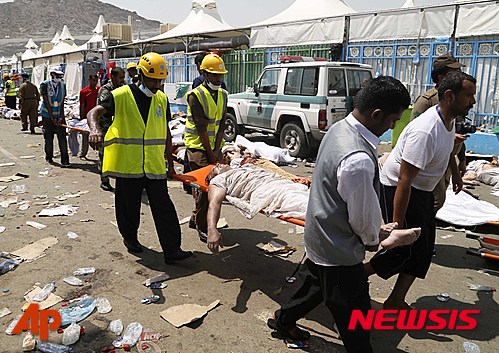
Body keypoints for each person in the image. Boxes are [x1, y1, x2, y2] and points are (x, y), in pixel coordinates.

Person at [267, 76, 418, 353]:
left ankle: (282, 320)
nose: (392, 127)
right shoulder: (357, 159)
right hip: (339, 251)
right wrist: (380, 237)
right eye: (393, 121)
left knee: (316, 286)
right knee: (355, 320)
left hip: (320, 237)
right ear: (376, 114)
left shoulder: (340, 128)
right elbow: (362, 223)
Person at [365, 71, 475, 310]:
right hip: (397, 188)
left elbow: (446, 150)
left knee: (423, 249)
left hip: (420, 191)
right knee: (401, 249)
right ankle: (353, 278)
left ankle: (395, 300)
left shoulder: (449, 119)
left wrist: (456, 174)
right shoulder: (425, 131)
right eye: (469, 95)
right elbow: (404, 181)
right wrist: (396, 226)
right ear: (449, 95)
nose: (473, 102)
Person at [87, 52, 192, 264]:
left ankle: (172, 250)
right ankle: (130, 238)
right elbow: (94, 112)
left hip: (153, 165)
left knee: (164, 208)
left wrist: (171, 165)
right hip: (129, 165)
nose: (156, 84)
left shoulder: (161, 99)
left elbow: (165, 131)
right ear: (141, 75)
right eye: (153, 79)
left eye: (160, 80)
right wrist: (94, 129)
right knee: (128, 207)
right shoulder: (120, 95)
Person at [411, 53, 467, 211]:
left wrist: (462, 160)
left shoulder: (456, 101)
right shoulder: (427, 101)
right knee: (433, 201)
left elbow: (458, 131)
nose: (459, 76)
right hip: (429, 162)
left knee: (437, 202)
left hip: (449, 160)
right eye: (453, 73)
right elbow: (414, 136)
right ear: (442, 77)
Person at [185, 53, 229, 243]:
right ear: (204, 73)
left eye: (220, 75)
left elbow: (221, 125)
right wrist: (211, 155)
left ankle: (196, 218)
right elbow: (201, 129)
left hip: (214, 147)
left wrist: (218, 150)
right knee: (206, 187)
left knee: (215, 185)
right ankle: (204, 227)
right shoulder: (195, 96)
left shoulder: (223, 94)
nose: (218, 79)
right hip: (197, 146)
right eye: (214, 75)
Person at [97, 67, 125, 192]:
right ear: (113, 77)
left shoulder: (123, 88)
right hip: (105, 126)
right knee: (104, 153)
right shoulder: (106, 90)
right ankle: (104, 180)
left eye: (123, 78)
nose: (122, 80)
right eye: (120, 78)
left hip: (118, 125)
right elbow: (106, 108)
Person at [40, 66, 70, 167]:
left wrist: (61, 116)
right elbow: (46, 100)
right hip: (47, 115)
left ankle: (65, 160)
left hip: (59, 115)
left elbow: (62, 102)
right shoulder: (44, 85)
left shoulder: (62, 85)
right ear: (52, 74)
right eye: (57, 75)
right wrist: (52, 117)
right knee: (49, 138)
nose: (59, 77)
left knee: (62, 138)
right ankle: (49, 157)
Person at [72, 74, 99, 159]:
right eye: (93, 80)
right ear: (89, 80)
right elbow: (82, 105)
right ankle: (83, 153)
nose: (94, 82)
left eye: (96, 80)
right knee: (85, 136)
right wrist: (82, 117)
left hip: (98, 116)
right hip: (87, 117)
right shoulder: (84, 92)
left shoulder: (99, 90)